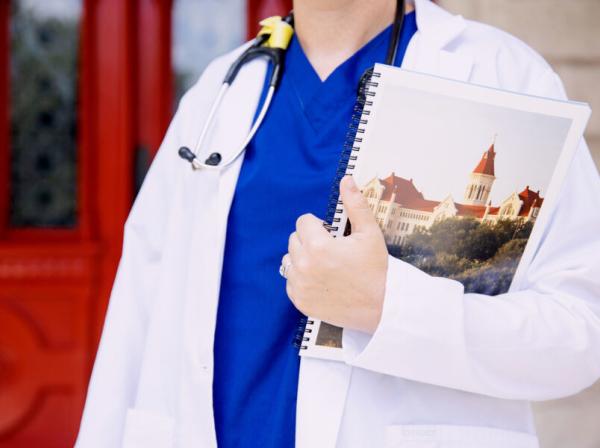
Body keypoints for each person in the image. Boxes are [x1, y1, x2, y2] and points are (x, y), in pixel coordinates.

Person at [75, 0, 600, 447]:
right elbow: (135, 317)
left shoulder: (505, 76)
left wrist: (391, 308)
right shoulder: (217, 93)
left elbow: (582, 332)